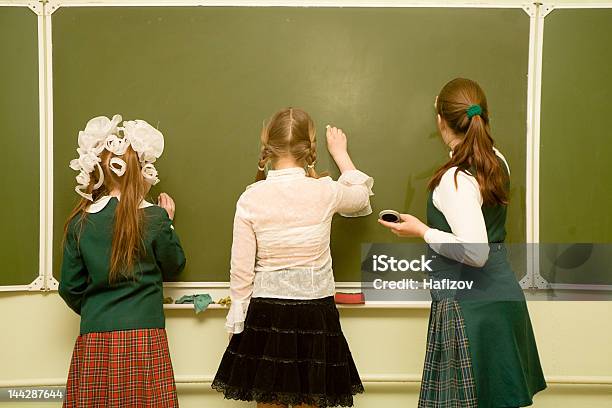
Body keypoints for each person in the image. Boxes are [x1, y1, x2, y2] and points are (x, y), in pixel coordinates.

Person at [379, 78, 546, 407]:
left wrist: (422, 231)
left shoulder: (454, 179)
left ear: (441, 120)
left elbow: (476, 252)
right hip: (500, 300)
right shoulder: (496, 159)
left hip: (468, 307)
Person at [212, 107, 373, 408]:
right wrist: (340, 154)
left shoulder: (251, 197)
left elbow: (241, 269)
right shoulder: (326, 190)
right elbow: (361, 198)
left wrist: (237, 318)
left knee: (269, 402)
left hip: (266, 312)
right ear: (309, 147)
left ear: (267, 144)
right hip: (315, 313)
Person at [59, 115, 186, 408]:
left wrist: (98, 307)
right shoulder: (154, 217)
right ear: (139, 171)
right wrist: (168, 222)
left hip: (95, 337)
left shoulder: (81, 222)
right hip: (145, 336)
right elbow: (174, 265)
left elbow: (69, 287)